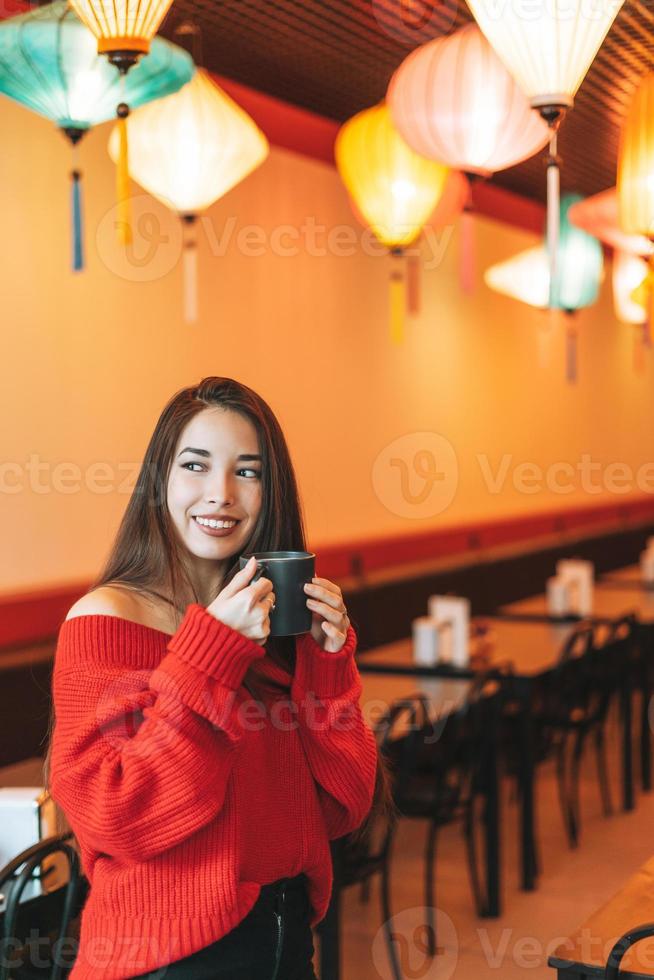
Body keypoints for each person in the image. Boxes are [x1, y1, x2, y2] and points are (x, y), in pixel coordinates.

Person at [48, 377, 385, 980]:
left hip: (282, 943)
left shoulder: (274, 627)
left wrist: (330, 671)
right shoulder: (104, 620)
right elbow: (119, 815)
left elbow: (342, 807)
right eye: (196, 465)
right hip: (166, 959)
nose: (221, 494)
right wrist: (212, 654)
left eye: (247, 472)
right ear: (161, 481)